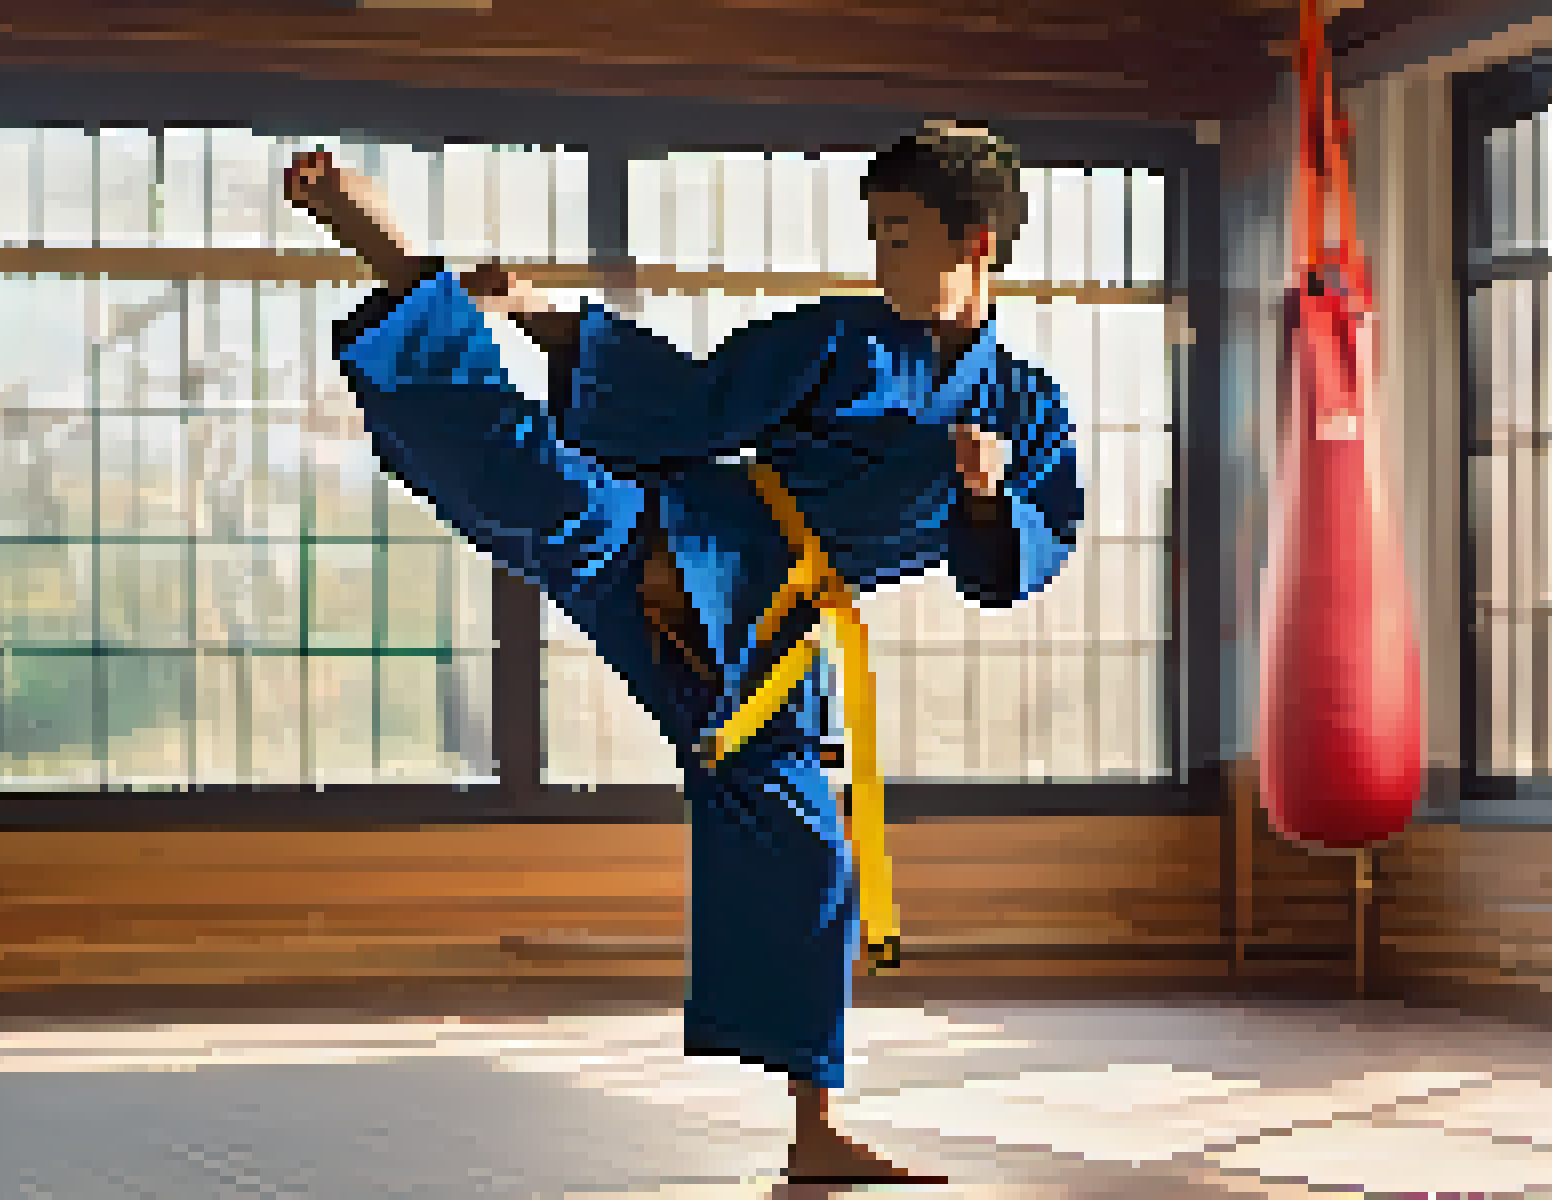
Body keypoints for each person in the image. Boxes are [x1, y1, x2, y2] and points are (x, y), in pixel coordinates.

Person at [285, 122, 1083, 1185]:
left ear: (975, 242)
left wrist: (984, 498)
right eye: (875, 234)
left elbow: (1013, 565)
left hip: (775, 641)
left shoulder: (1027, 410)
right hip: (683, 537)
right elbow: (690, 401)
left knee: (814, 855)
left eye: (899, 235)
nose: (880, 257)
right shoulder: (837, 340)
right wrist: (539, 315)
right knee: (535, 479)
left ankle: (815, 1129)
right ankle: (390, 257)